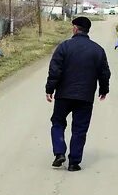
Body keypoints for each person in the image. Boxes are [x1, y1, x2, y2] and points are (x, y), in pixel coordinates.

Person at [45, 16, 110, 172]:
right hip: (85, 97)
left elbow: (55, 70)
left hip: (64, 95)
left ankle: (59, 152)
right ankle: (74, 162)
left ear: (75, 28)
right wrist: (103, 89)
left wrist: (50, 89)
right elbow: (104, 72)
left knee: (58, 122)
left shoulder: (64, 47)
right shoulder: (98, 50)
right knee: (80, 128)